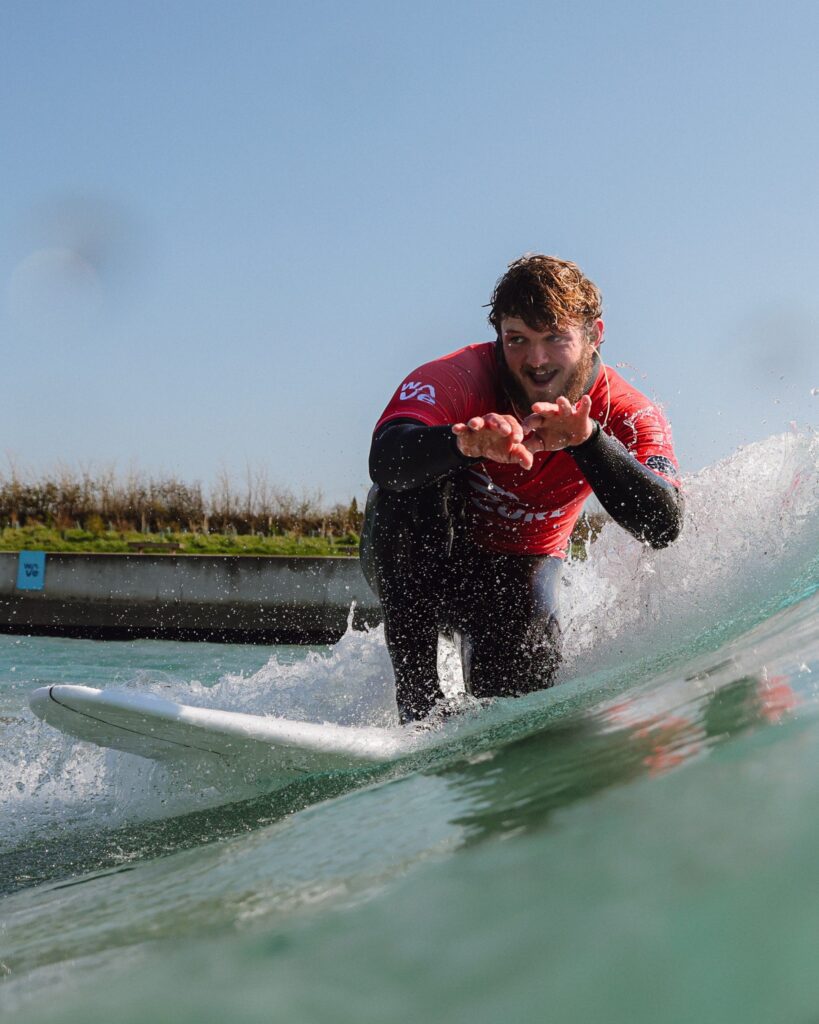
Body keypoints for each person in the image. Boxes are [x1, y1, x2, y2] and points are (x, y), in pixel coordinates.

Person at [361, 254, 683, 723]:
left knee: (519, 703)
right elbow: (385, 461)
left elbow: (665, 525)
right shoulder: (460, 376)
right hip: (430, 557)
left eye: (556, 338)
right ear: (499, 336)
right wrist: (462, 443)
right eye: (518, 340)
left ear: (594, 335)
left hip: (518, 574)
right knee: (406, 489)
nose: (536, 361)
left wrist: (588, 442)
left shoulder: (627, 410)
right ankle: (420, 708)